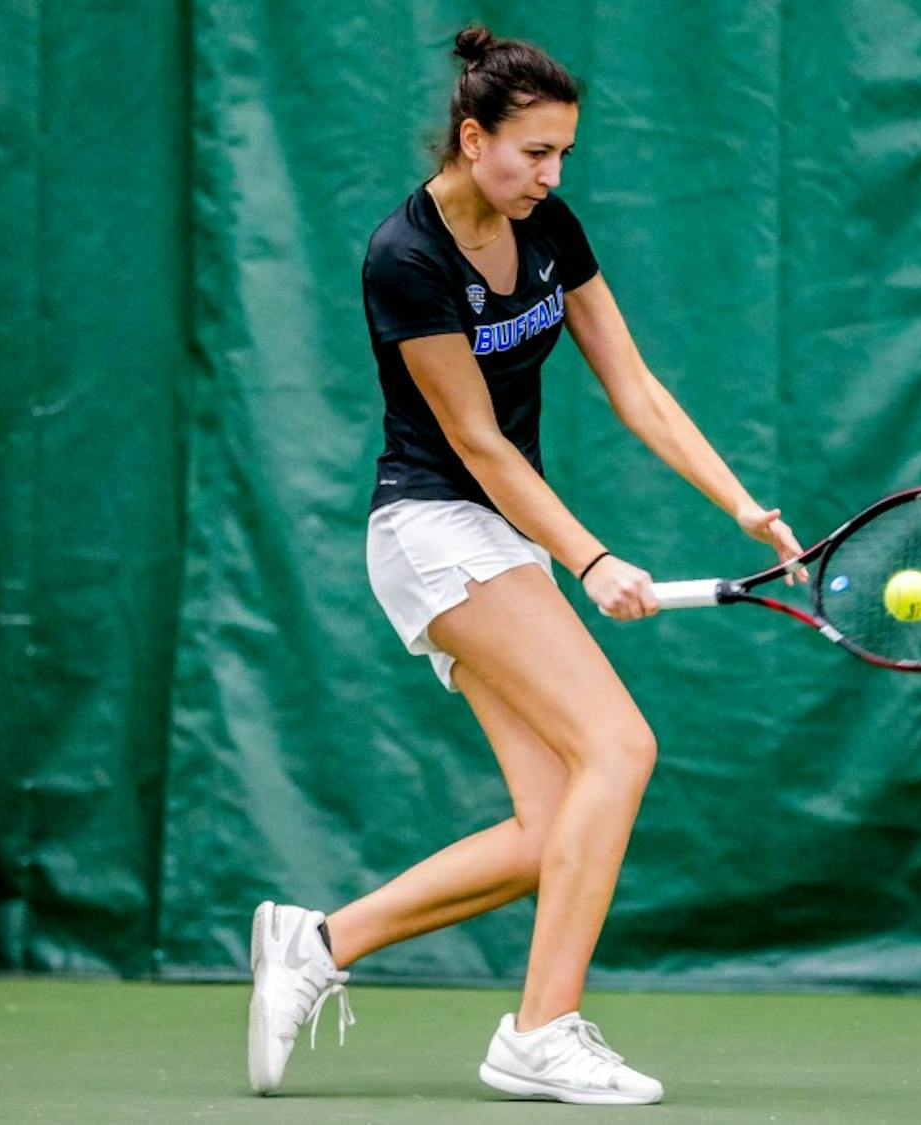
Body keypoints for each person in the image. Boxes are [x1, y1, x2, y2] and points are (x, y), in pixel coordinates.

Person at [248, 25, 802, 1106]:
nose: (549, 177)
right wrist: (590, 558)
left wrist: (739, 503)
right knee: (620, 744)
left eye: (562, 157)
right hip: (433, 529)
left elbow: (633, 386)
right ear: (472, 137)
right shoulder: (404, 256)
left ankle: (316, 943)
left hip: (499, 535)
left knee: (551, 827)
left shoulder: (547, 228)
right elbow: (478, 445)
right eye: (532, 154)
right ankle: (539, 1031)